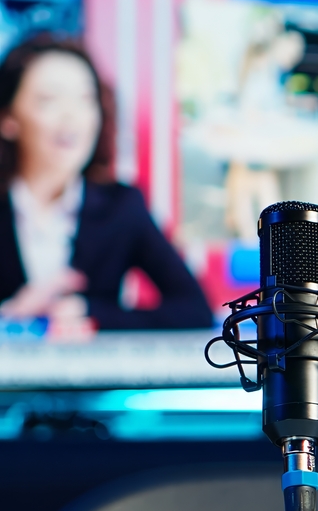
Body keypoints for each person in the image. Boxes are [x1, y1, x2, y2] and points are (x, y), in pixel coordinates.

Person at [0, 37, 211, 335]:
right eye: (48, 99)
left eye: (85, 99)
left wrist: (92, 314)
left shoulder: (122, 206)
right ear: (8, 118)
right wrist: (11, 314)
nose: (71, 115)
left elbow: (194, 310)